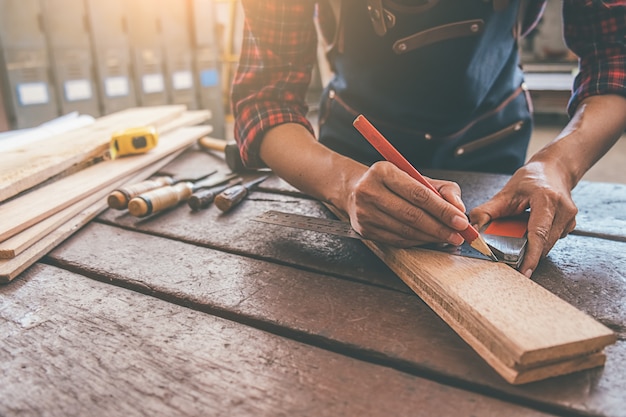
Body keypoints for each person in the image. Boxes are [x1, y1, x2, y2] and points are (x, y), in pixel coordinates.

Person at [231, 0, 626, 277]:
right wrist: (345, 184)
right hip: (350, 160)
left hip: (495, 147)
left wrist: (557, 164)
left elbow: (615, 59)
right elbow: (265, 101)